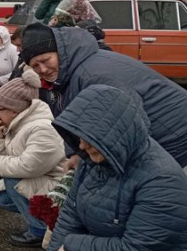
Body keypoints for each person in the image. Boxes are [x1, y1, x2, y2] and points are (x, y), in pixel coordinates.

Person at [41, 85, 187, 251]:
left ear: (113, 135)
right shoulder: (96, 158)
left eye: (89, 138)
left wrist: (71, 245)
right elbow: (71, 216)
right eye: (79, 137)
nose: (82, 145)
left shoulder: (161, 180)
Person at [21, 22, 187, 169]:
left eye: (46, 60)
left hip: (174, 133)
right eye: (35, 66)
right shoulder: (68, 77)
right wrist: (77, 153)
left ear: (60, 53)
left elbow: (129, 125)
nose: (42, 69)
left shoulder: (93, 75)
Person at [0, 69, 66, 248]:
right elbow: (4, 158)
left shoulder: (42, 128)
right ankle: (38, 219)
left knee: (11, 177)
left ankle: (39, 230)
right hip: (41, 181)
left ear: (14, 110)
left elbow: (26, 166)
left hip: (57, 186)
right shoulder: (20, 123)